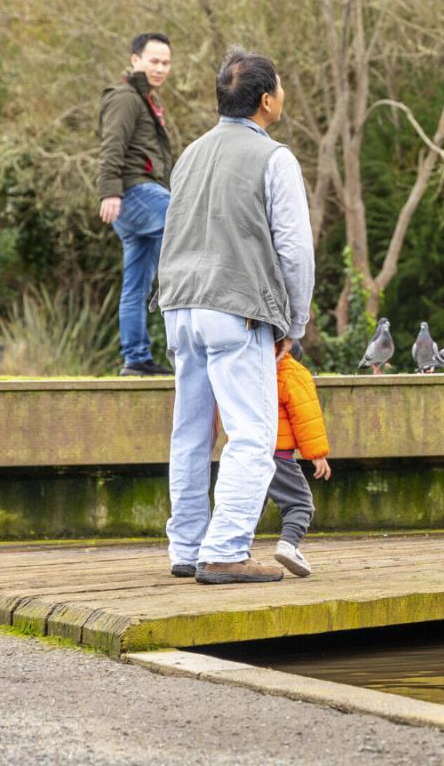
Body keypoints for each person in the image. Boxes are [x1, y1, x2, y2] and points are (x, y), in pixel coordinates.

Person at [157, 47, 314, 585]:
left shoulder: (190, 154)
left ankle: (187, 546)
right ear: (267, 101)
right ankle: (224, 550)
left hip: (180, 306)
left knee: (191, 432)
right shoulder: (275, 158)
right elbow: (294, 250)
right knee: (252, 434)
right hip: (237, 309)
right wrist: (295, 322)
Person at [98, 32, 176, 376]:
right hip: (134, 193)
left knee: (136, 284)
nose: (160, 68)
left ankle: (136, 358)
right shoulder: (126, 98)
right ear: (135, 61)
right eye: (153, 61)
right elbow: (112, 144)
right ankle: (192, 343)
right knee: (192, 230)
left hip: (137, 197)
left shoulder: (146, 100)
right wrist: (109, 191)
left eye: (166, 63)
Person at [269, 341, 332, 577]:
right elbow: (306, 415)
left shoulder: (251, 365)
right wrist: (317, 455)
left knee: (252, 504)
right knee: (300, 503)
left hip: (248, 451)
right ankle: (288, 545)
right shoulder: (292, 372)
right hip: (279, 454)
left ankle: (234, 550)